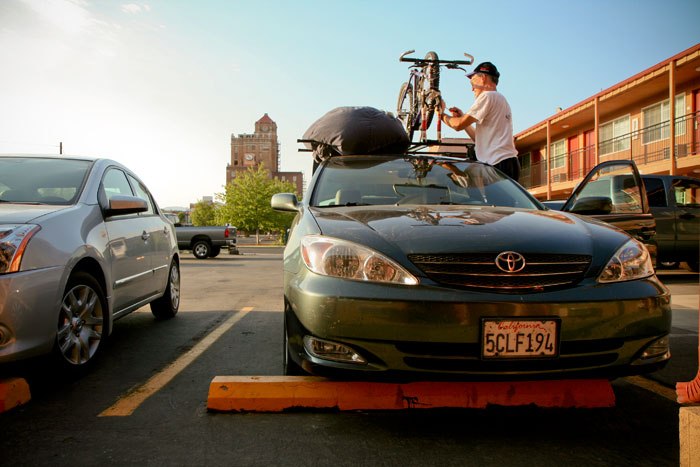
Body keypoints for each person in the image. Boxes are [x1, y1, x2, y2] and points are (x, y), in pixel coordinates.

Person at [440, 61, 520, 181]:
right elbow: (479, 139)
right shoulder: (501, 100)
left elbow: (458, 125)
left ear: (483, 77)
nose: (472, 89)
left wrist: (441, 114)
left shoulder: (487, 96)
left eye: (473, 82)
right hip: (509, 163)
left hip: (498, 163)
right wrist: (463, 118)